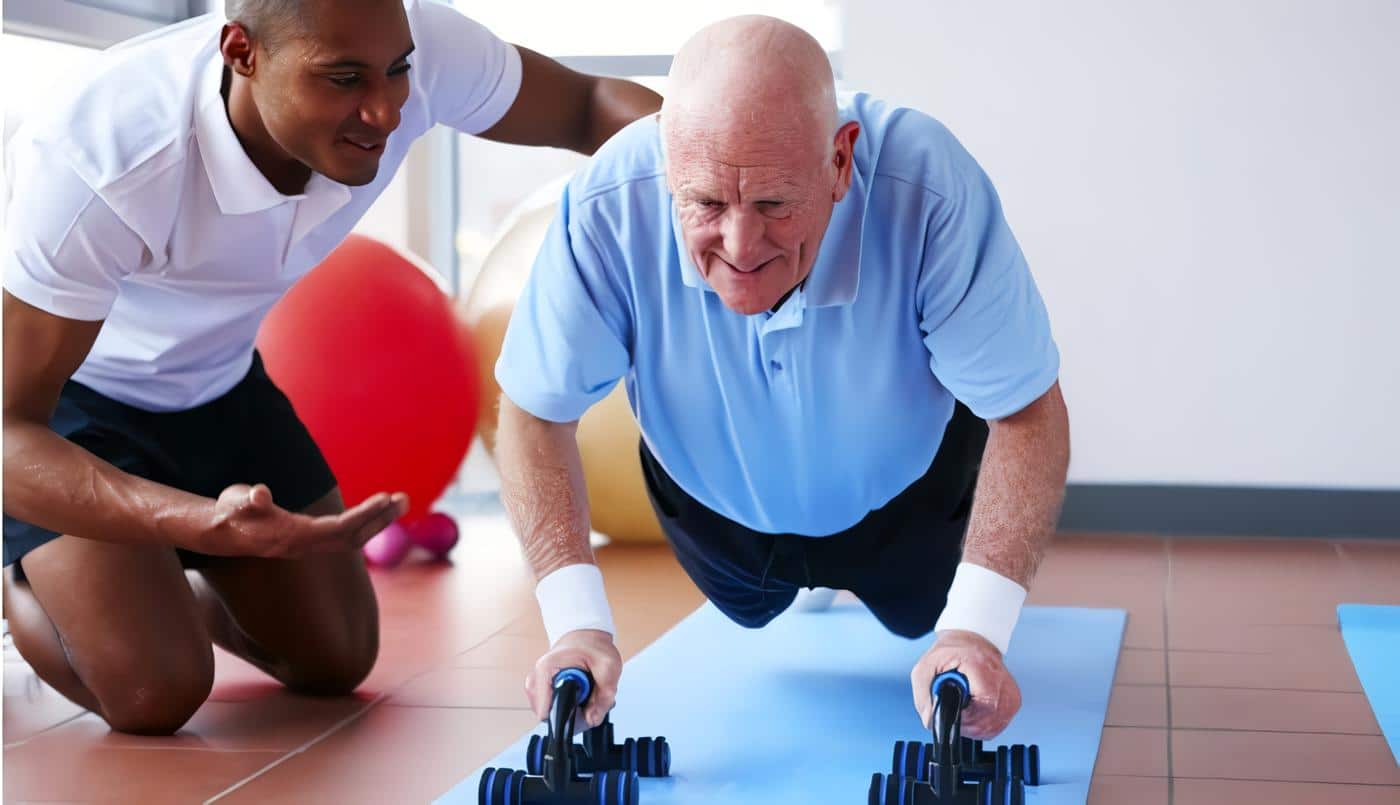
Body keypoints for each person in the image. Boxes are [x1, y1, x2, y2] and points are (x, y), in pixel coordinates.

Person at [1, 0, 661, 735]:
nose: (384, 110)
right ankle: (20, 578)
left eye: (397, 71)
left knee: (337, 659)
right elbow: (7, 432)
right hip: (75, 405)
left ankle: (153, 583)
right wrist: (195, 519)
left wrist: (715, 185)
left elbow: (588, 105)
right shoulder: (101, 156)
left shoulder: (407, 44)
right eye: (343, 79)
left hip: (220, 381)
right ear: (241, 52)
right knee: (158, 690)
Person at [493, 15, 1070, 739]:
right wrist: (577, 625)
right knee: (747, 606)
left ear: (840, 160)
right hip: (718, 512)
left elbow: (1027, 410)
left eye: (772, 203)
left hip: (908, 500)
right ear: (669, 165)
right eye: (705, 203)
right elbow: (534, 409)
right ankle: (791, 579)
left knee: (925, 616)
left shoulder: (929, 186)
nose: (739, 245)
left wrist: (978, 632)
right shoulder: (609, 200)